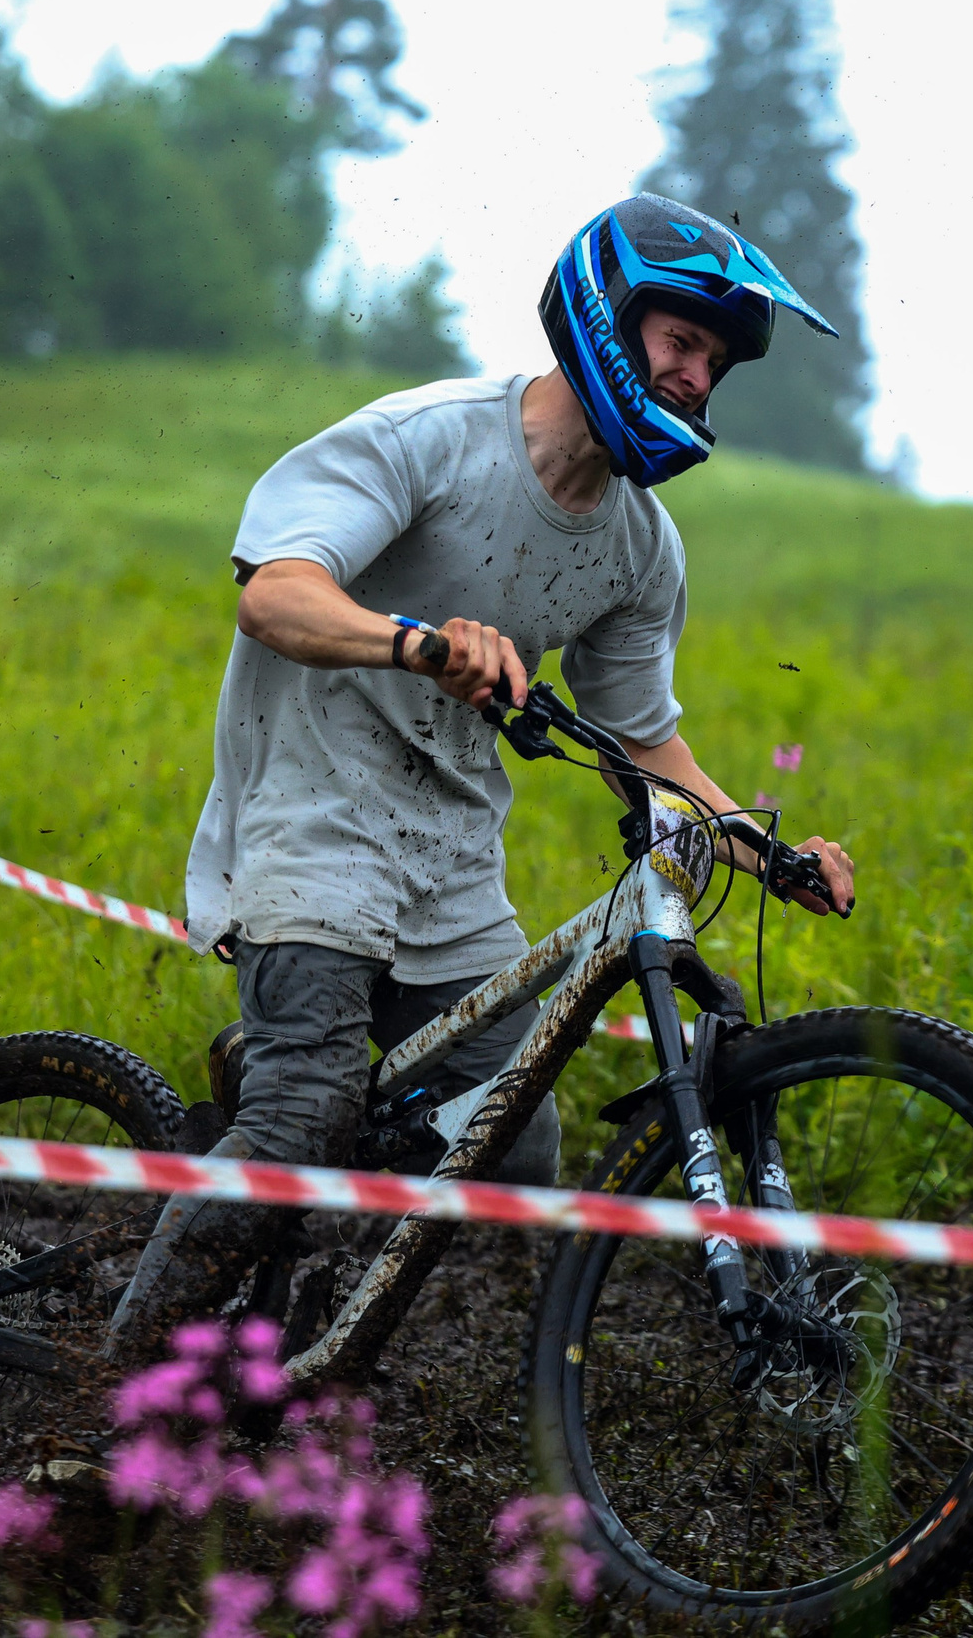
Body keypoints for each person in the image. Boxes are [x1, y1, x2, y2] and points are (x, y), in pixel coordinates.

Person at [104, 193, 859, 1361]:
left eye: (713, 362)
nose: (697, 378)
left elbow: (643, 740)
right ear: (608, 314)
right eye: (681, 342)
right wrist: (414, 639)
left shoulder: (641, 548)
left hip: (449, 848)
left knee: (514, 1145)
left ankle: (284, 1311)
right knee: (307, 1111)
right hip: (310, 804)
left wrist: (772, 851)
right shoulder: (431, 439)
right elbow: (274, 592)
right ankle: (117, 1392)